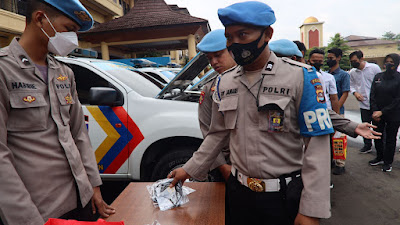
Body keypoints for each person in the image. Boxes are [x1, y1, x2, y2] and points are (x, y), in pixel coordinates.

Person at [169, 2, 336, 224]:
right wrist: (188, 169)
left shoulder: (301, 77)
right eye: (230, 37)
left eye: (243, 34)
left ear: (267, 34)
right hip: (240, 193)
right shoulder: (223, 82)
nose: (235, 43)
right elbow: (217, 135)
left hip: (284, 196)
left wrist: (311, 210)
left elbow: (317, 145)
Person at [0, 0, 115, 224]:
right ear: (40, 19)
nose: (74, 39)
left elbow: (79, 135)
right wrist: (26, 219)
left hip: (80, 201)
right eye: (69, 29)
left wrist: (94, 186)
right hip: (39, 209)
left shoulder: (64, 72)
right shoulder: (4, 70)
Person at [196, 29, 237, 180]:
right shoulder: (209, 89)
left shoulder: (253, 82)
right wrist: (222, 166)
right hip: (225, 164)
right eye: (209, 58)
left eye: (218, 55)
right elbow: (208, 131)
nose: (213, 62)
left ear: (233, 51)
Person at [369, 54, 400, 172]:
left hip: (394, 114)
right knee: (377, 136)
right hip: (377, 114)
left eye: (391, 62)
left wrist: (382, 112)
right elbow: (372, 95)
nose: (388, 64)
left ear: (396, 63)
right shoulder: (378, 77)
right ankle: (379, 157)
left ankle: (388, 162)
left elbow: (398, 99)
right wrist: (375, 110)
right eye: (387, 61)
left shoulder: (398, 78)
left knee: (391, 139)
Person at [349, 50, 381, 154]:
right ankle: (367, 145)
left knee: (378, 126)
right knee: (365, 125)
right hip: (363, 103)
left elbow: (381, 81)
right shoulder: (352, 72)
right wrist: (355, 93)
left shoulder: (374, 68)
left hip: (376, 103)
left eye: (355, 61)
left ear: (362, 59)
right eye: (351, 61)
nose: (353, 63)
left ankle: (380, 148)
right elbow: (351, 85)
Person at [327, 47, 350, 175]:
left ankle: (340, 164)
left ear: (339, 58)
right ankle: (330, 160)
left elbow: (345, 93)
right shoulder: (325, 73)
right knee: (328, 138)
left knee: (339, 139)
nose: (329, 60)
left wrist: (336, 111)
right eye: (328, 58)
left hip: (338, 111)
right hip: (327, 111)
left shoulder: (343, 75)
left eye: (332, 58)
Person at [308, 49, 340, 114]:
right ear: (309, 61)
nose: (317, 63)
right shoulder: (303, 75)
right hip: (309, 111)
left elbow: (333, 98)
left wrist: (337, 115)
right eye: (314, 61)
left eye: (320, 61)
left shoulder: (329, 77)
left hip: (326, 111)